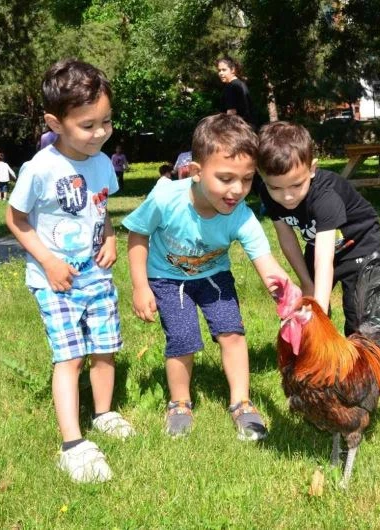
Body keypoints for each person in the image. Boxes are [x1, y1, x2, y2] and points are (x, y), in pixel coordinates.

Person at [124, 113, 291, 441]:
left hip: (213, 277)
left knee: (232, 333)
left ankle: (241, 402)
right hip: (168, 280)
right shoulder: (165, 198)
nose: (237, 190)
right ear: (197, 172)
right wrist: (140, 286)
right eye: (226, 178)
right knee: (183, 338)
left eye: (246, 180)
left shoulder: (241, 216)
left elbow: (266, 262)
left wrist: (287, 294)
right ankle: (180, 403)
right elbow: (138, 235)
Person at [6, 58, 133, 484]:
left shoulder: (100, 161)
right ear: (55, 123)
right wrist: (48, 260)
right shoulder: (40, 168)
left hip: (95, 275)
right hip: (55, 280)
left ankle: (103, 413)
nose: (99, 133)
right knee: (70, 356)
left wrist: (111, 237)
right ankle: (72, 444)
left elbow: (102, 209)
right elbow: (16, 219)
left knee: (105, 347)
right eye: (87, 125)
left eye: (106, 122)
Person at [257, 121, 380, 336]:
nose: (287, 196)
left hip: (359, 244)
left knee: (358, 313)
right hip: (318, 243)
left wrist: (320, 312)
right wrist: (306, 283)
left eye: (297, 185)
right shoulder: (267, 193)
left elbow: (325, 260)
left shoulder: (326, 197)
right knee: (308, 298)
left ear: (312, 169)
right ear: (261, 176)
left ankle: (358, 352)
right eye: (276, 187)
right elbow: (286, 237)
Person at [216, 57, 256, 129]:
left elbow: (231, 114)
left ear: (233, 70)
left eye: (224, 70)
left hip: (237, 131)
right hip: (248, 129)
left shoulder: (231, 87)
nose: (221, 73)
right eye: (219, 70)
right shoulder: (241, 84)